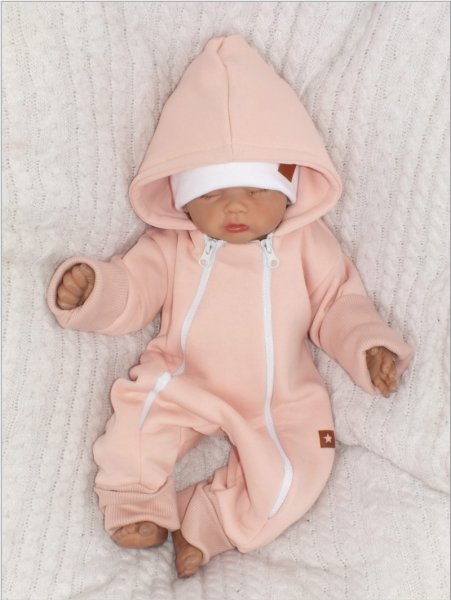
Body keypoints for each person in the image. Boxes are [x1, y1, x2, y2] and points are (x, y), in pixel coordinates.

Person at [47, 35, 413, 578]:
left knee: (298, 473)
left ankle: (209, 521)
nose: (236, 207)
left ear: (289, 187)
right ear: (180, 197)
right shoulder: (172, 245)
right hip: (183, 378)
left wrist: (369, 346)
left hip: (279, 395)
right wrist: (96, 290)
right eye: (213, 193)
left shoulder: (307, 243)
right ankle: (137, 501)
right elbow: (135, 289)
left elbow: (339, 304)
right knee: (135, 426)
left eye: (255, 191)